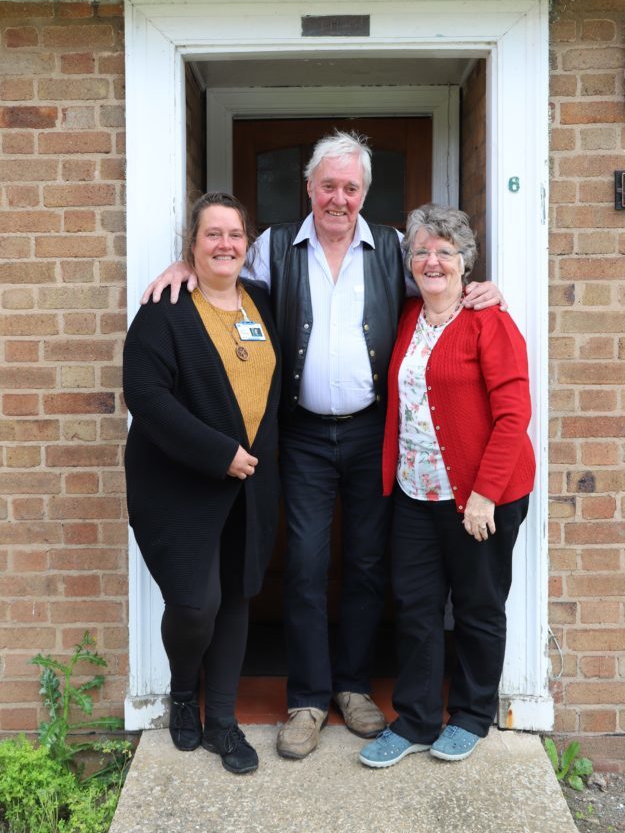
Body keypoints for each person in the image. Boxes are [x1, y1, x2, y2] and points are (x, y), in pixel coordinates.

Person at [143, 132, 504, 761]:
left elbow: (441, 280)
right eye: (328, 185)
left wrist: (486, 288)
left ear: (366, 193)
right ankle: (307, 698)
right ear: (309, 187)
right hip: (303, 432)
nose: (340, 198)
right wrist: (182, 266)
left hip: (372, 429)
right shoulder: (273, 247)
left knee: (366, 564)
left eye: (352, 187)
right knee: (306, 565)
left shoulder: (393, 248)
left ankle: (354, 687)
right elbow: (216, 272)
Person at [358, 203, 535, 769]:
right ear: (409, 261)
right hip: (415, 492)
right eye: (422, 251)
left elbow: (513, 416)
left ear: (465, 262)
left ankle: (471, 715)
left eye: (445, 251)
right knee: (415, 607)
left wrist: (483, 494)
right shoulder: (408, 317)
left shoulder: (490, 321)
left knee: (479, 608)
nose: (432, 261)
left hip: (482, 498)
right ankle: (413, 719)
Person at [124, 192, 281, 774]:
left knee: (237, 594)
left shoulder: (262, 302)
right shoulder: (166, 307)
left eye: (235, 234)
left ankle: (222, 724)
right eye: (212, 234)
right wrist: (219, 453)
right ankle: (182, 691)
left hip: (250, 483)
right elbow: (146, 397)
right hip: (177, 482)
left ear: (248, 243)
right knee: (196, 604)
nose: (225, 245)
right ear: (191, 245)